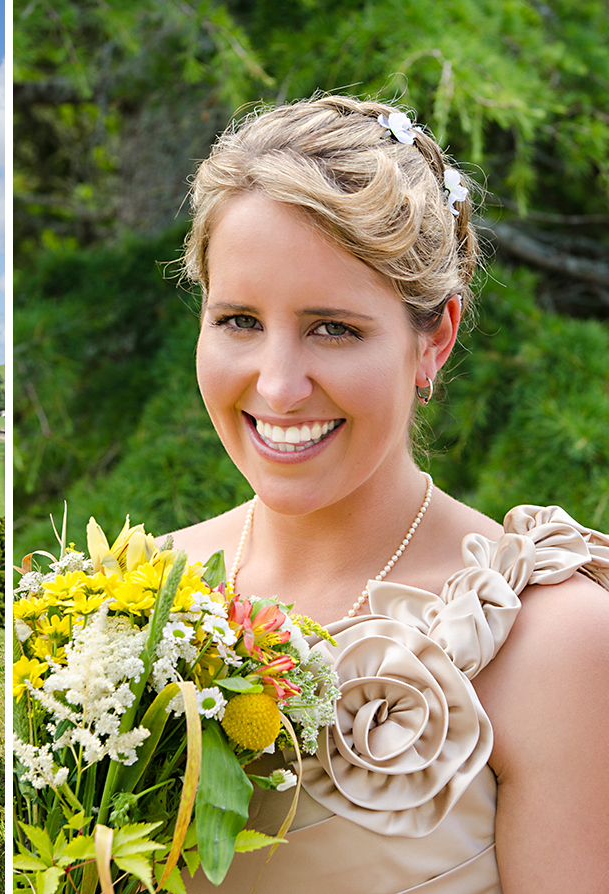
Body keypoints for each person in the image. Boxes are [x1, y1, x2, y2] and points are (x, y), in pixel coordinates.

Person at [169, 96, 609, 892]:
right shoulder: (137, 595)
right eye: (238, 320)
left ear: (434, 337)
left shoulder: (553, 641)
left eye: (333, 328)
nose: (278, 385)